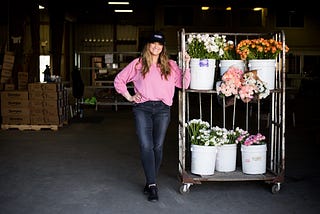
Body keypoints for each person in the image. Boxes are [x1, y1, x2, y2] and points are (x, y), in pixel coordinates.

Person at [114, 31, 191, 202]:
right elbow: (119, 80)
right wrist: (129, 97)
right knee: (146, 146)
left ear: (163, 47)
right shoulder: (138, 64)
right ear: (148, 45)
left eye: (160, 44)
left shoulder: (170, 65)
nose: (156, 46)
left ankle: (150, 181)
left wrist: (187, 65)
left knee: (157, 147)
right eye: (153, 43)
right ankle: (153, 186)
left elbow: (183, 84)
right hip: (142, 108)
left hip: (163, 109)